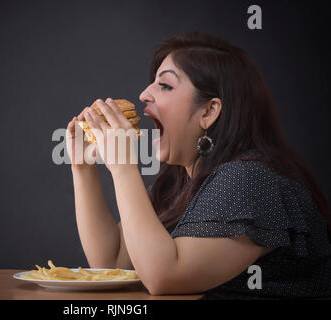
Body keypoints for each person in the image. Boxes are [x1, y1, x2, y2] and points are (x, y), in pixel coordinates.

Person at [65, 31, 331, 299]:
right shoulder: (178, 183)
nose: (144, 94)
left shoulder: (250, 179)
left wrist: (123, 169)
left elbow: (164, 277)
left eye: (165, 85)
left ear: (209, 111)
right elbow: (112, 265)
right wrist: (83, 168)